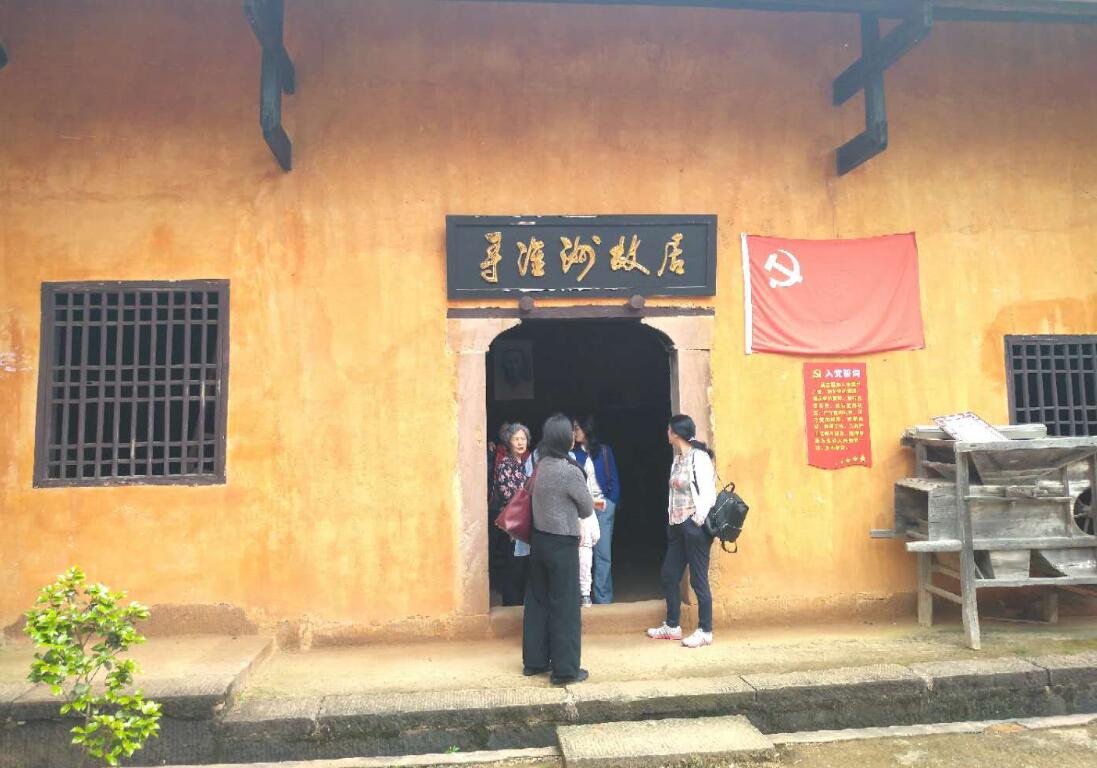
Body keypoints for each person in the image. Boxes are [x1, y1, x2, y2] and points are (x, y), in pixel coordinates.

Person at [523, 413, 594, 685]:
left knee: (537, 602)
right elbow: (586, 508)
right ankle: (565, 670)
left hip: (538, 541)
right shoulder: (569, 471)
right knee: (565, 606)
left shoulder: (540, 465)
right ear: (566, 439)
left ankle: (534, 662)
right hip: (562, 543)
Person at [647, 414, 717, 649]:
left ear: (676, 433)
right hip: (677, 526)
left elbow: (709, 493)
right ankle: (672, 626)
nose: (666, 433)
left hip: (694, 527)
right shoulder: (677, 459)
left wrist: (696, 520)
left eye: (669, 430)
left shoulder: (700, 458)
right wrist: (673, 521)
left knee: (698, 580)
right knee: (669, 574)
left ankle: (705, 630)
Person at [572, 416, 620, 604]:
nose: (574, 432)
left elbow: (614, 479)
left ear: (587, 429)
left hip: (603, 507)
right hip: (582, 509)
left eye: (577, 428)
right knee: (581, 553)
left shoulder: (604, 451)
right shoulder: (573, 454)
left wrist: (611, 501)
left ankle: (603, 598)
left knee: (603, 554)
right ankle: (582, 595)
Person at [493, 423, 532, 606]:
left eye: (523, 438)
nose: (520, 442)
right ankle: (510, 608)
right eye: (516, 439)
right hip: (514, 523)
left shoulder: (527, 464)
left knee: (525, 567)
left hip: (528, 522)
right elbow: (509, 494)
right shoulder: (505, 464)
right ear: (509, 441)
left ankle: (522, 606)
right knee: (513, 567)